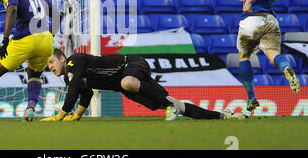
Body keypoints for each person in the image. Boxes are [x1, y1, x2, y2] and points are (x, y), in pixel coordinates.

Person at [40, 49, 245, 122]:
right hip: (128, 85)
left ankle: (169, 107)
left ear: (62, 58)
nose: (50, 67)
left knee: (127, 82)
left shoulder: (75, 60)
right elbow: (85, 94)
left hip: (133, 64)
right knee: (176, 105)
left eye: (51, 62)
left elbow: (75, 88)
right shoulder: (71, 77)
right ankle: (222, 116)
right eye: (47, 65)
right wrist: (76, 115)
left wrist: (61, 114)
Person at [237, 0, 300, 111]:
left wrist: (248, 1)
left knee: (244, 57)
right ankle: (286, 66)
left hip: (252, 20)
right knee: (273, 55)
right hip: (270, 20)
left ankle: (251, 98)